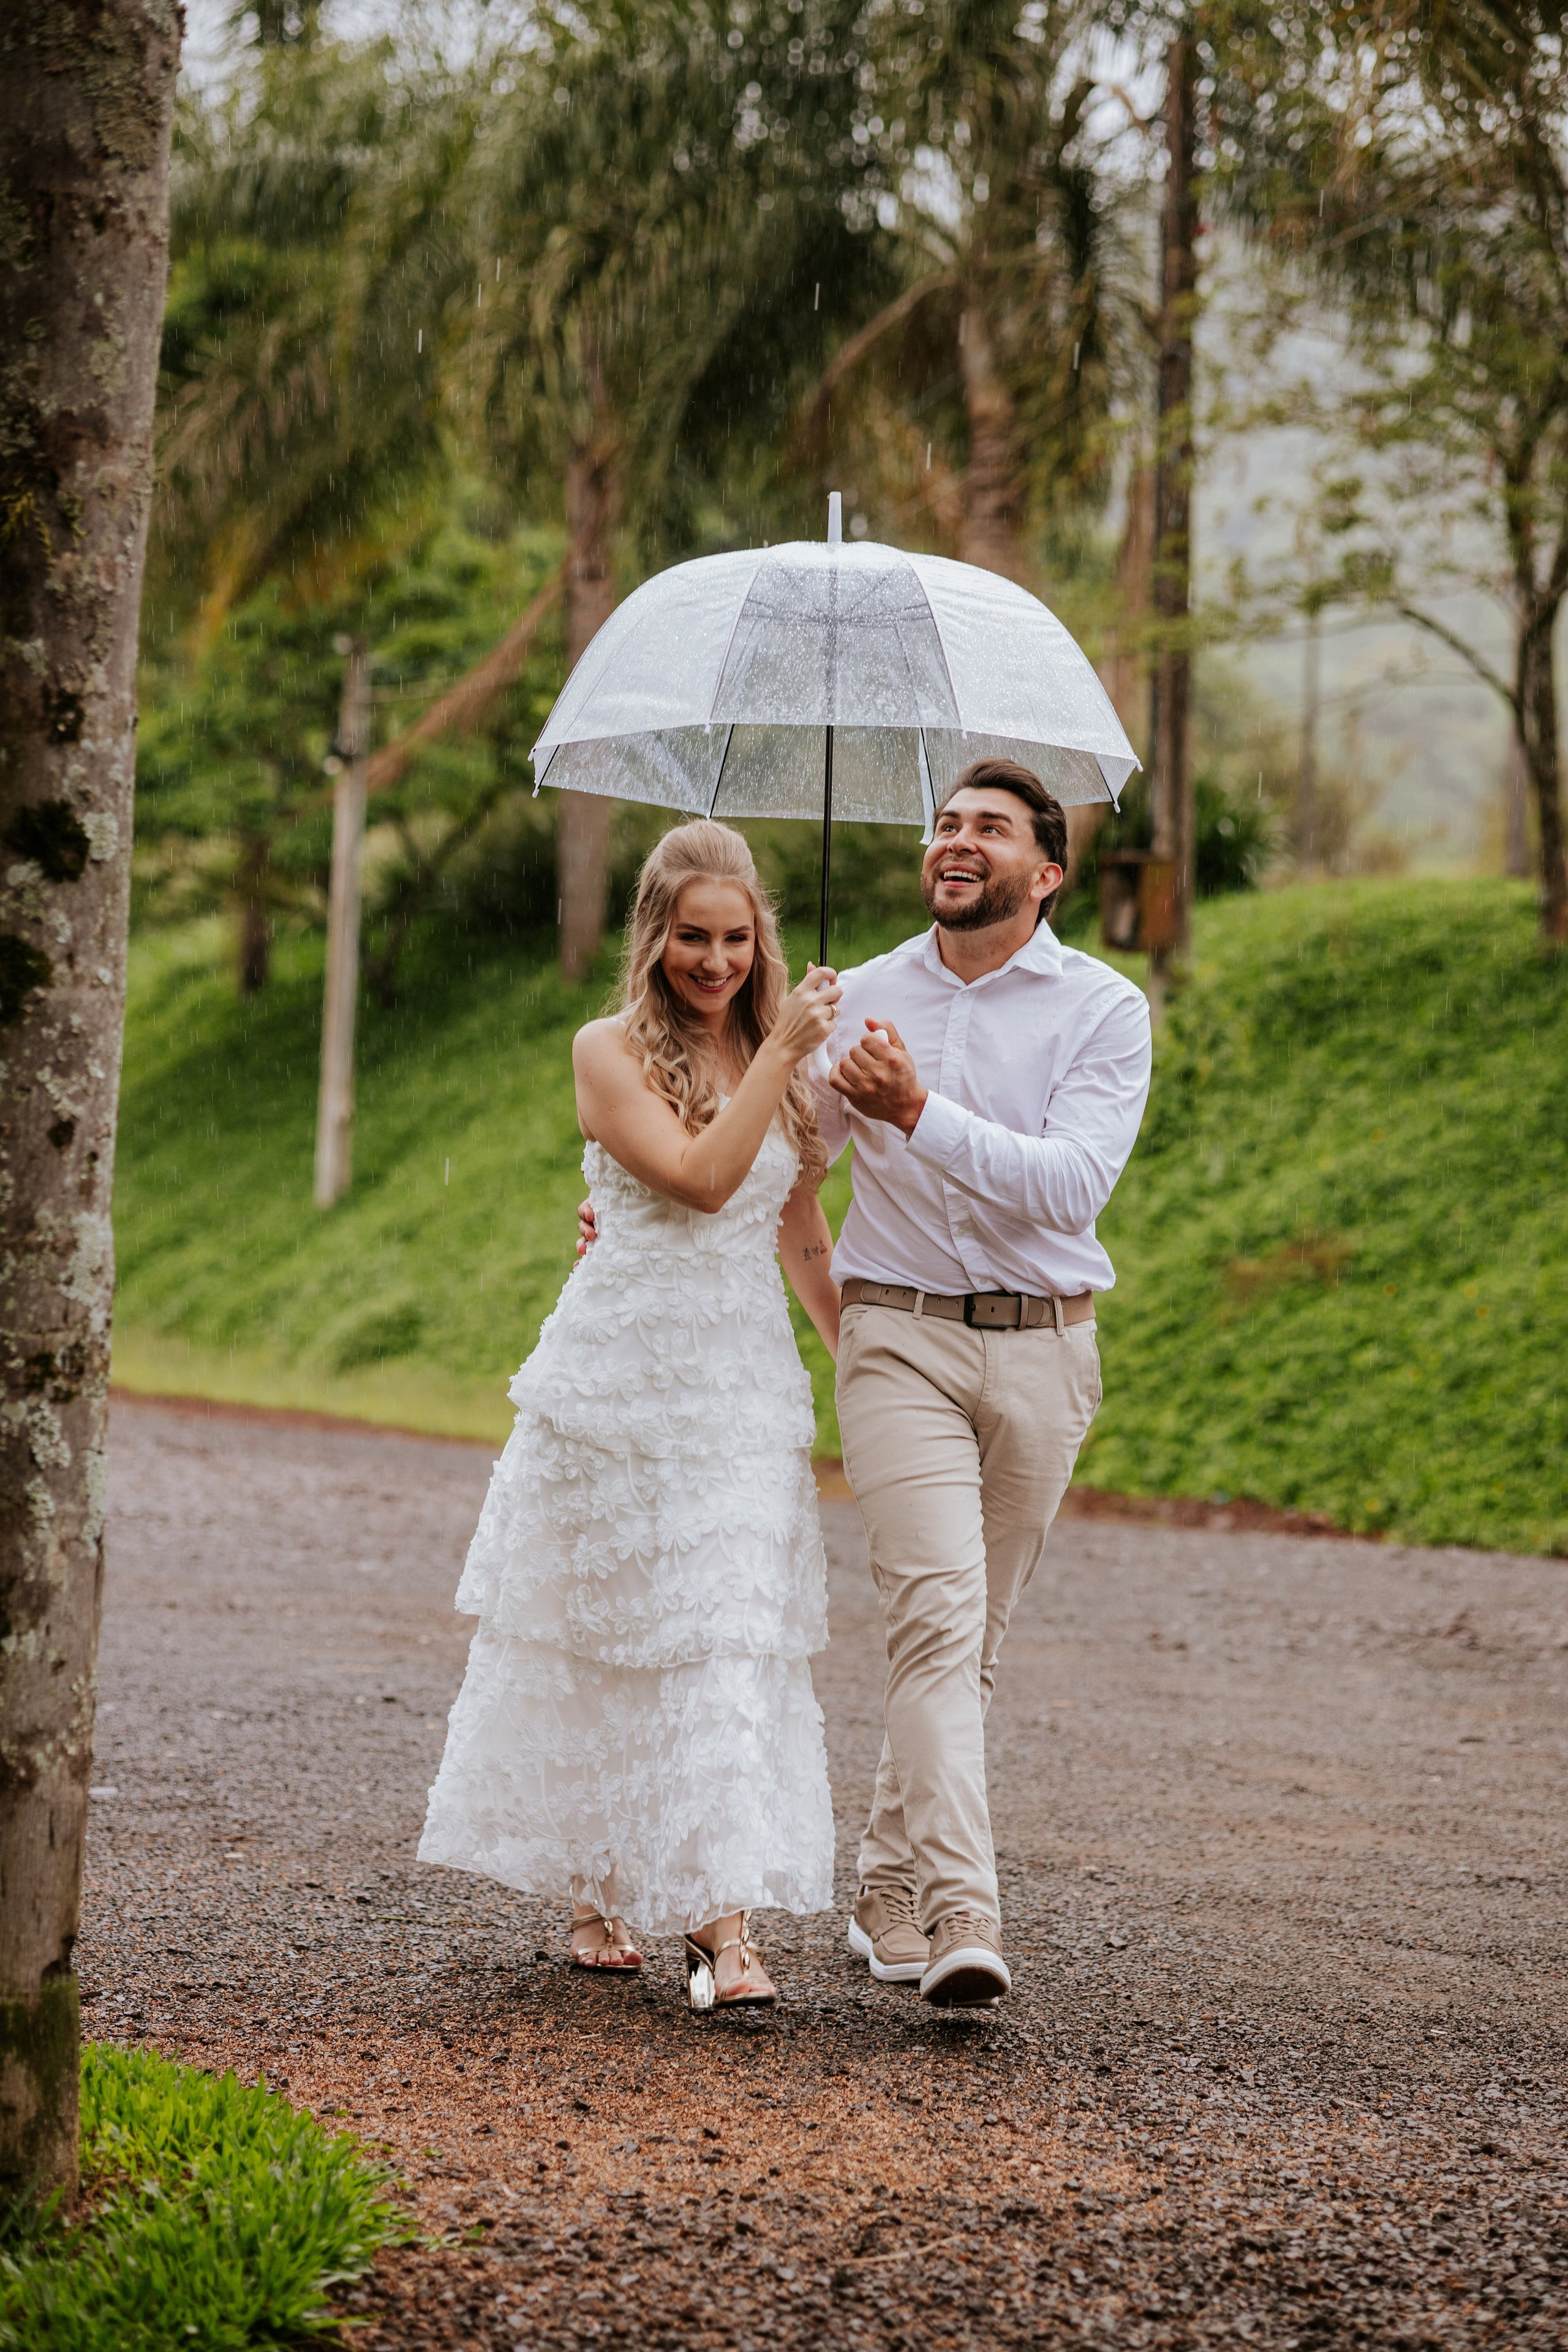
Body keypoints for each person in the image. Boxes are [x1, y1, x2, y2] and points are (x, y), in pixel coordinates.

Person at [420, 819, 843, 2010]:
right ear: (653, 936)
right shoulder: (605, 1051)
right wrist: (782, 1056)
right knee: (612, 1634)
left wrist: (854, 1349)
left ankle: (721, 1925)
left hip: (740, 1383)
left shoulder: (780, 1055)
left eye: (734, 937)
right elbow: (701, 1182)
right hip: (619, 1384)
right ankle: (600, 1880)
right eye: (689, 938)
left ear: (760, 935)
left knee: (721, 1630)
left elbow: (792, 1228)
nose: (712, 962)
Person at [820, 757, 1152, 2008]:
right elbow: (788, 1165)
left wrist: (916, 1110)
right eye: (946, 824)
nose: (957, 841)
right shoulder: (853, 995)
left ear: (1045, 872)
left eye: (990, 830)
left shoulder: (1101, 1009)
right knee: (933, 1621)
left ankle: (883, 1885)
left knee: (973, 1643)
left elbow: (1070, 1186)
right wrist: (802, 1073)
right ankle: (964, 1914)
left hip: (1044, 1349)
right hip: (897, 1336)